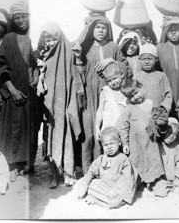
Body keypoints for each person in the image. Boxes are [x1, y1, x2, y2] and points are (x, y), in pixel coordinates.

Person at [0, 1, 40, 180]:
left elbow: (37, 61)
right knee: (13, 127)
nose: (21, 20)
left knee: (30, 127)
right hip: (13, 92)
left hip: (31, 93)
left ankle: (27, 163)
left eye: (24, 16)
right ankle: (12, 166)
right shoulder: (9, 39)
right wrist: (12, 90)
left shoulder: (33, 36)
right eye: (17, 17)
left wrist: (36, 74)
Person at [71, 13, 122, 173]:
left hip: (110, 94)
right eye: (97, 27)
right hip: (90, 96)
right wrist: (78, 57)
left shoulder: (113, 46)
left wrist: (111, 61)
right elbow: (80, 73)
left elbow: (124, 66)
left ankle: (109, 170)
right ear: (91, 29)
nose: (100, 30)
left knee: (108, 131)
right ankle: (89, 171)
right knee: (90, 133)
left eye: (103, 27)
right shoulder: (85, 47)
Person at [36, 22, 82, 188]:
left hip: (65, 104)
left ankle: (69, 173)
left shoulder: (68, 55)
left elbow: (76, 78)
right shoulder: (43, 56)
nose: (49, 42)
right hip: (49, 107)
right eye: (46, 39)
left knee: (66, 136)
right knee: (50, 139)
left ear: (59, 38)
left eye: (53, 39)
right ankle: (55, 175)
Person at [117, 78, 164, 188]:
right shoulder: (129, 108)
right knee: (137, 161)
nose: (135, 97)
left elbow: (159, 118)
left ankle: (153, 180)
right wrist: (124, 143)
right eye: (131, 97)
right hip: (136, 143)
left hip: (151, 141)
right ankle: (139, 181)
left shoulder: (151, 103)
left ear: (141, 87)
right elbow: (122, 126)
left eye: (136, 93)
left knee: (153, 158)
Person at [76, 127, 135, 209]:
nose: (109, 147)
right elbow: (91, 172)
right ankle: (99, 199)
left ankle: (97, 199)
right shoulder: (101, 158)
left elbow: (127, 178)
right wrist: (84, 185)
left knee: (116, 201)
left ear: (119, 142)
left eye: (112, 143)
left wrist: (116, 190)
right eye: (106, 145)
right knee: (91, 184)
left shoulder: (123, 159)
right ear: (102, 146)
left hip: (116, 191)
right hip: (104, 187)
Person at [94, 59, 127, 153]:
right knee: (111, 153)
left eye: (115, 78)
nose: (113, 82)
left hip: (124, 129)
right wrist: (97, 128)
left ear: (121, 74)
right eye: (109, 81)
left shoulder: (126, 90)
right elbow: (100, 111)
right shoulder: (105, 91)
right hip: (109, 129)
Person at [133, 43, 173, 113]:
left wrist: (163, 108)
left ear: (156, 59)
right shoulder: (136, 77)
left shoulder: (161, 76)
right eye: (143, 59)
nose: (146, 62)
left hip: (158, 113)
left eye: (150, 59)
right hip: (142, 114)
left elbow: (168, 96)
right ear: (139, 59)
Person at [154, 118, 179, 197]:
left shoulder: (177, 147)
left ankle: (171, 187)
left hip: (172, 178)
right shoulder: (157, 145)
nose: (171, 136)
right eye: (168, 132)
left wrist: (178, 177)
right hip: (159, 178)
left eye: (174, 134)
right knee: (160, 188)